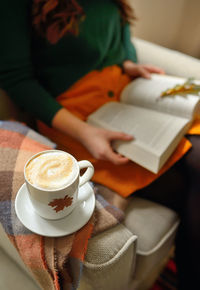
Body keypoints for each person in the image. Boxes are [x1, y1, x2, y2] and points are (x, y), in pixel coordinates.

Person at [0, 1, 199, 289]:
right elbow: (17, 79)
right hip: (74, 116)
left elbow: (121, 31)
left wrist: (129, 63)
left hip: (122, 93)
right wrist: (85, 132)